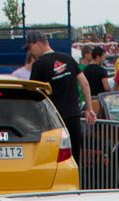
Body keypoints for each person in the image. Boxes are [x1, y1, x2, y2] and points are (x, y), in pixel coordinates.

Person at [25, 32, 95, 187]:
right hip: (73, 117)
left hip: (53, 122)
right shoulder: (68, 59)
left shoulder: (39, 65)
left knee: (54, 160)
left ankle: (55, 188)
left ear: (38, 43)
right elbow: (84, 83)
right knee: (74, 159)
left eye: (30, 48)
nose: (30, 52)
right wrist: (89, 109)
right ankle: (75, 187)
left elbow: (33, 94)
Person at [81, 45, 112, 111]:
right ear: (98, 57)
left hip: (88, 100)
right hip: (99, 100)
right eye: (103, 57)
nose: (103, 59)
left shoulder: (85, 69)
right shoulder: (102, 70)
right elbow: (106, 87)